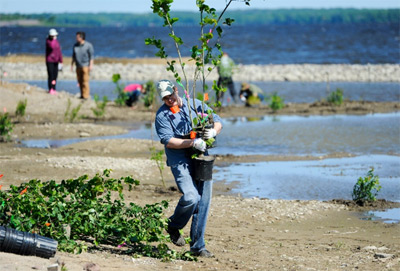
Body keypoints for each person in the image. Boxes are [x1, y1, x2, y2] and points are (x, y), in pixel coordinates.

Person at [155, 80, 222, 258]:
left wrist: (213, 132)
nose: (169, 100)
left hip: (201, 156)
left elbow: (217, 120)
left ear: (177, 90)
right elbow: (169, 141)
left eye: (171, 95)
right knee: (191, 197)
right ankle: (174, 226)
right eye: (165, 98)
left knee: (204, 201)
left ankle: (198, 247)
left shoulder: (195, 104)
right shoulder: (162, 116)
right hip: (179, 159)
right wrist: (192, 142)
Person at [71, 31, 94, 99]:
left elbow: (91, 56)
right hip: (78, 66)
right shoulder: (75, 45)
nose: (76, 38)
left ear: (82, 37)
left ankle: (86, 96)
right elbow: (73, 56)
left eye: (77, 37)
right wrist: (72, 65)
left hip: (85, 66)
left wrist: (91, 65)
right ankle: (82, 95)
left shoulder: (88, 45)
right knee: (79, 81)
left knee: (85, 81)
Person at [45, 28, 63, 95]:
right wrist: (53, 40)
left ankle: (54, 88)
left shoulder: (57, 42)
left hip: (56, 61)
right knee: (51, 75)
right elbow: (52, 47)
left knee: (55, 75)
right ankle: (50, 89)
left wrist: (61, 61)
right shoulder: (48, 42)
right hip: (50, 61)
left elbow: (59, 51)